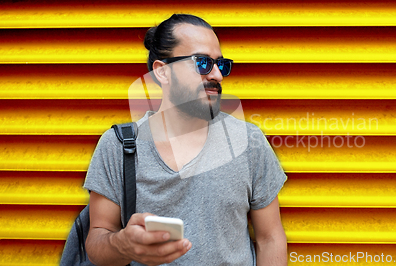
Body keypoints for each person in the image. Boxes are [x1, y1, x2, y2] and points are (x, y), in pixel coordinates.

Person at [84, 14, 288, 265]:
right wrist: (122, 244)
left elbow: (270, 238)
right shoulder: (119, 145)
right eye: (202, 63)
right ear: (163, 72)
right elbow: (96, 241)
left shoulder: (247, 141)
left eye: (220, 64)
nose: (217, 75)